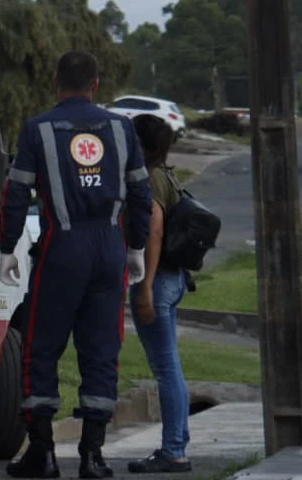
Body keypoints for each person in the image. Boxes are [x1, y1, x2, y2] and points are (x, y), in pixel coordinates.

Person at [0, 50, 153, 479]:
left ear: (56, 82)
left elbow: (16, 193)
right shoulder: (122, 128)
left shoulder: (37, 129)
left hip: (61, 248)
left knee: (40, 347)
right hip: (110, 248)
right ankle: (92, 456)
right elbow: (141, 193)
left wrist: (8, 246)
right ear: (96, 85)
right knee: (102, 350)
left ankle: (43, 453)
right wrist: (136, 247)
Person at [125, 113, 193, 474]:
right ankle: (177, 443)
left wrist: (145, 287)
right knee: (171, 366)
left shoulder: (150, 178)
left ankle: (174, 450)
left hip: (158, 280)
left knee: (165, 369)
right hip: (174, 278)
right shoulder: (167, 173)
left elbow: (153, 232)